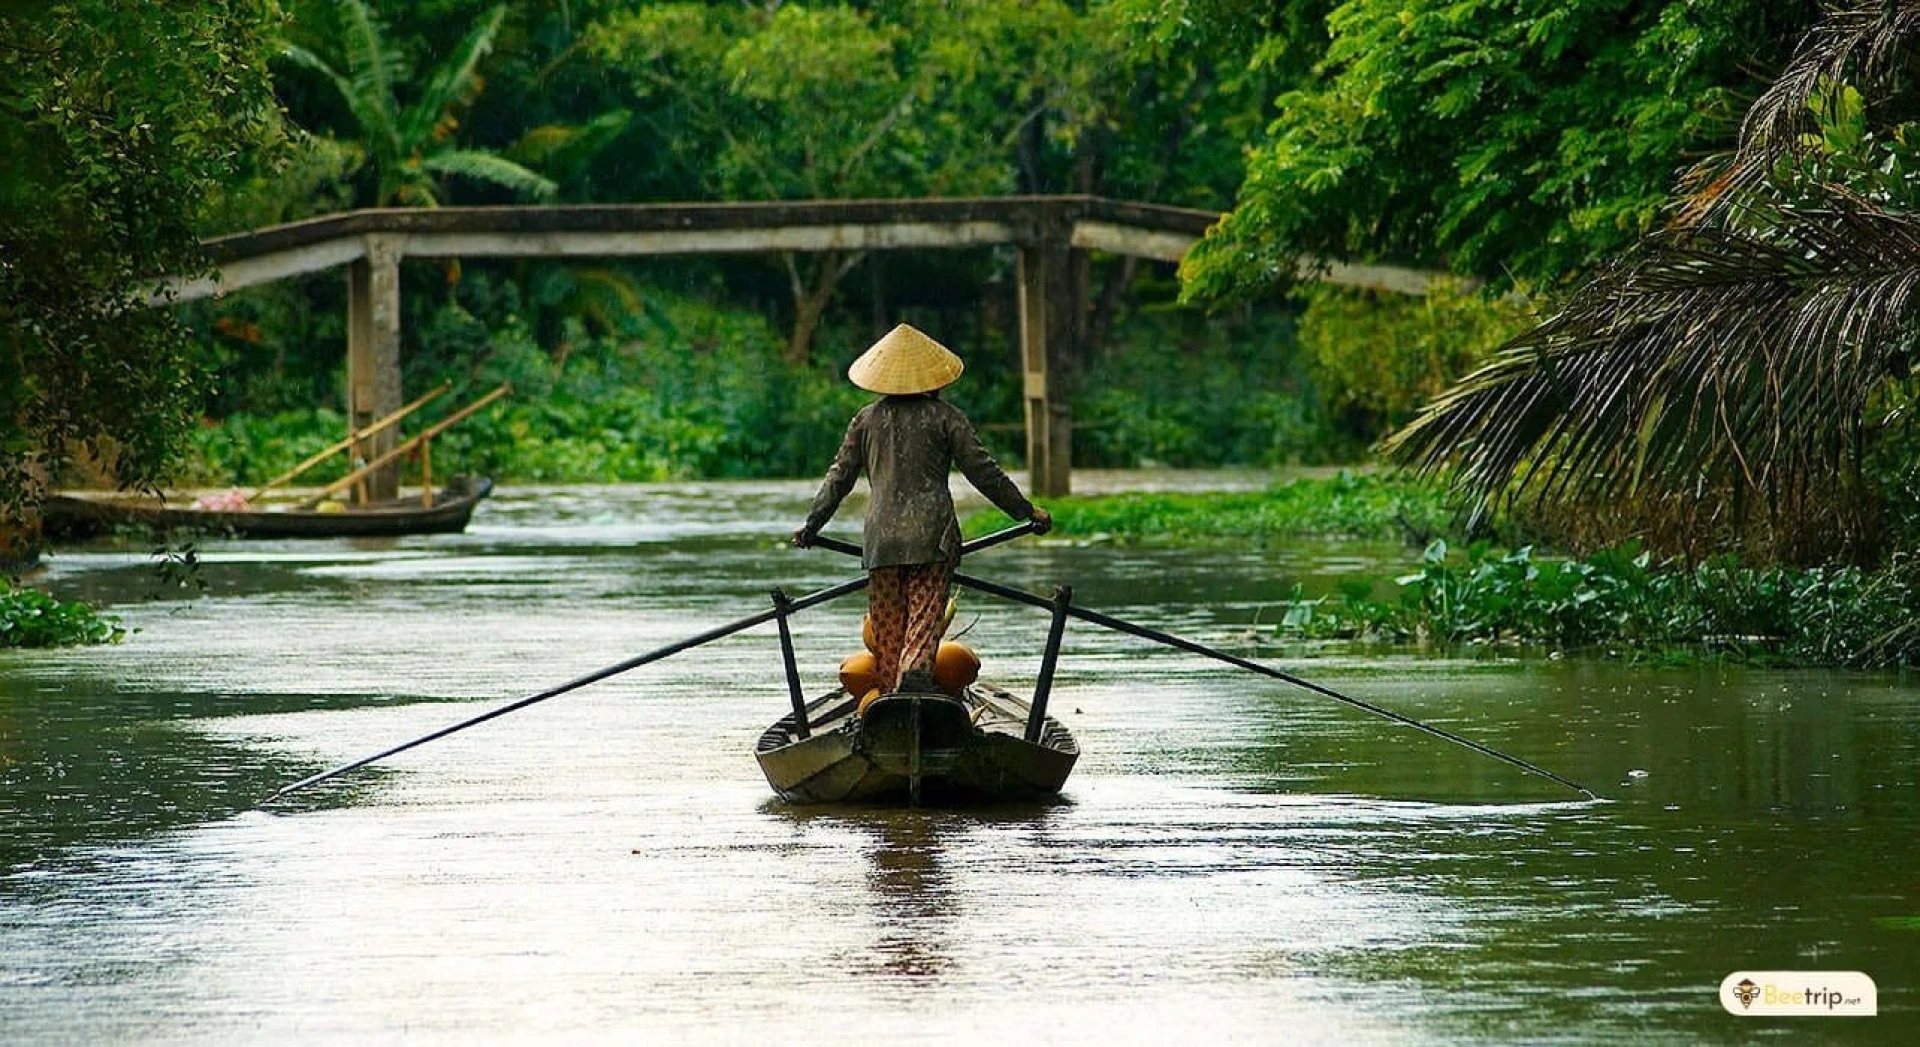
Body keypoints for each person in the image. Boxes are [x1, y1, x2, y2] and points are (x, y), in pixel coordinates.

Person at [794, 323, 1052, 696]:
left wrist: (811, 526)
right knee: (923, 621)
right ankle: (915, 676)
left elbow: (839, 479)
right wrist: (1027, 511)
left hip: (881, 542)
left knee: (887, 634)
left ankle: (889, 697)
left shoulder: (866, 420)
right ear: (933, 379)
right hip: (932, 539)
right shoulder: (946, 417)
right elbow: (984, 473)